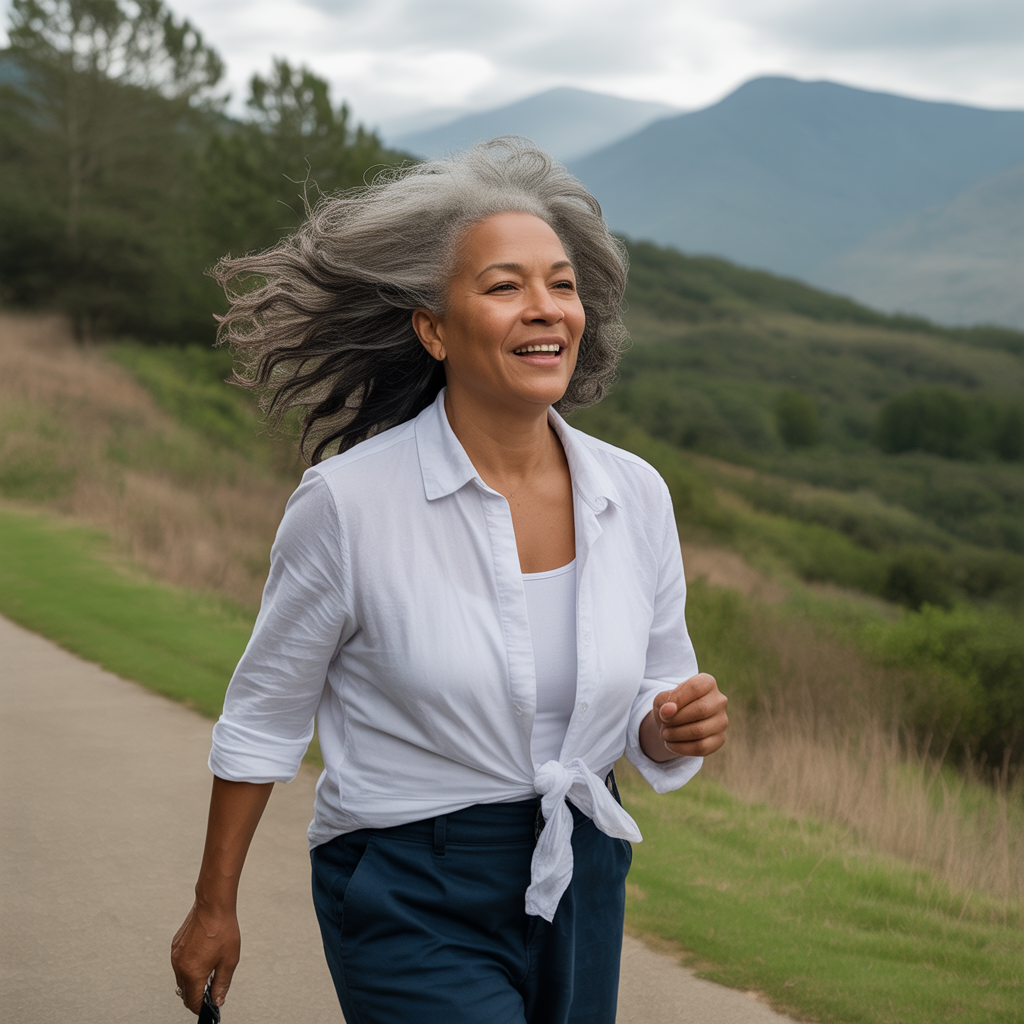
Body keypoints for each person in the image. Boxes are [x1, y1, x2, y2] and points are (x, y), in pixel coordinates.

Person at [171, 138, 728, 1024]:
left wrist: (667, 728)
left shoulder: (635, 495)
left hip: (581, 870)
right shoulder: (349, 505)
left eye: (562, 284)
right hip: (408, 885)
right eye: (505, 286)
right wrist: (214, 905)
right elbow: (265, 716)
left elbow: (651, 690)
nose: (545, 308)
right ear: (432, 328)